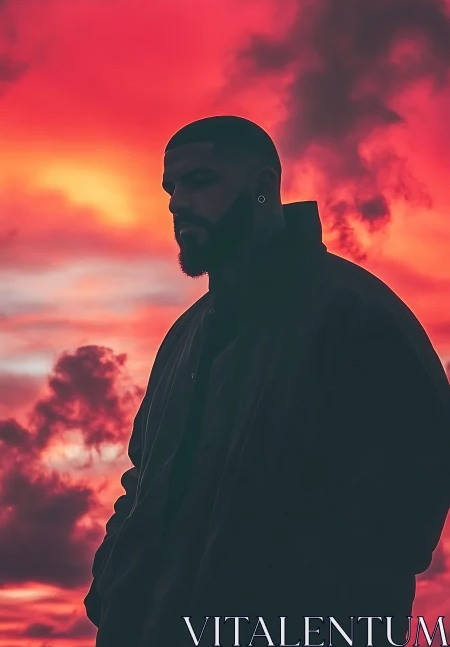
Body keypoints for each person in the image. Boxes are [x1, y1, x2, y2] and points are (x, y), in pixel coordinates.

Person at [84, 116, 450, 647]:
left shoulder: (358, 316)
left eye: (200, 181)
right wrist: (111, 597)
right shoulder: (185, 335)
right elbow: (143, 481)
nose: (177, 202)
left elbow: (404, 513)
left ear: (261, 189)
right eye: (171, 188)